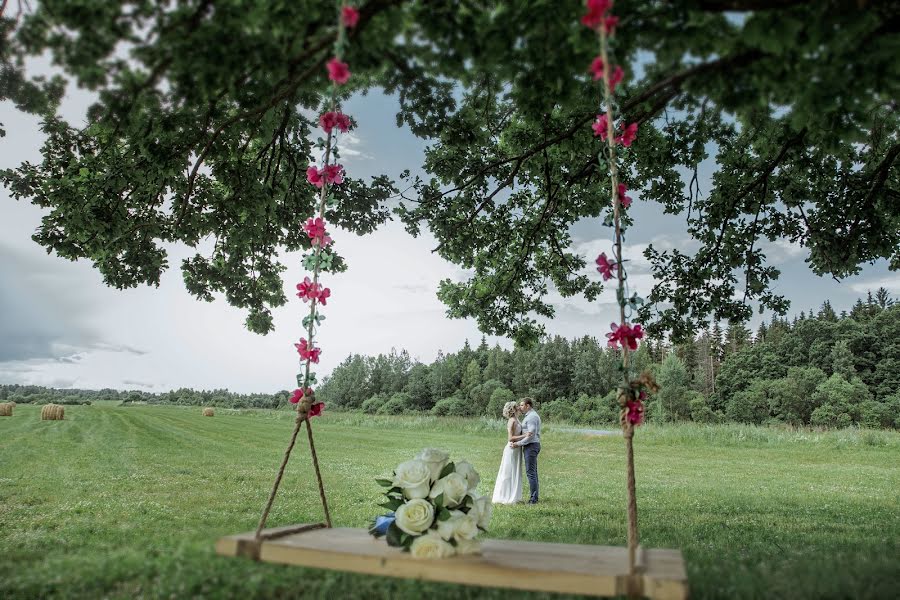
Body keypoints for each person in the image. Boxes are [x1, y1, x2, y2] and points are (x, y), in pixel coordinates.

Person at [491, 401, 532, 504]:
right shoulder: (511, 421)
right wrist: (525, 435)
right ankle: (504, 496)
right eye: (517, 406)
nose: (519, 407)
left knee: (515, 471)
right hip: (511, 448)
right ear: (513, 409)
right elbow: (510, 438)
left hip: (517, 448)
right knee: (508, 472)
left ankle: (515, 495)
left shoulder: (517, 420)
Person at [510, 397, 541, 504]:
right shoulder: (530, 416)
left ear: (528, 406)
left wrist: (518, 444)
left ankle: (533, 499)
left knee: (531, 473)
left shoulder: (532, 417)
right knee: (533, 473)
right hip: (531, 446)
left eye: (522, 405)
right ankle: (535, 496)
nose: (520, 407)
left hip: (531, 446)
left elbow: (530, 436)